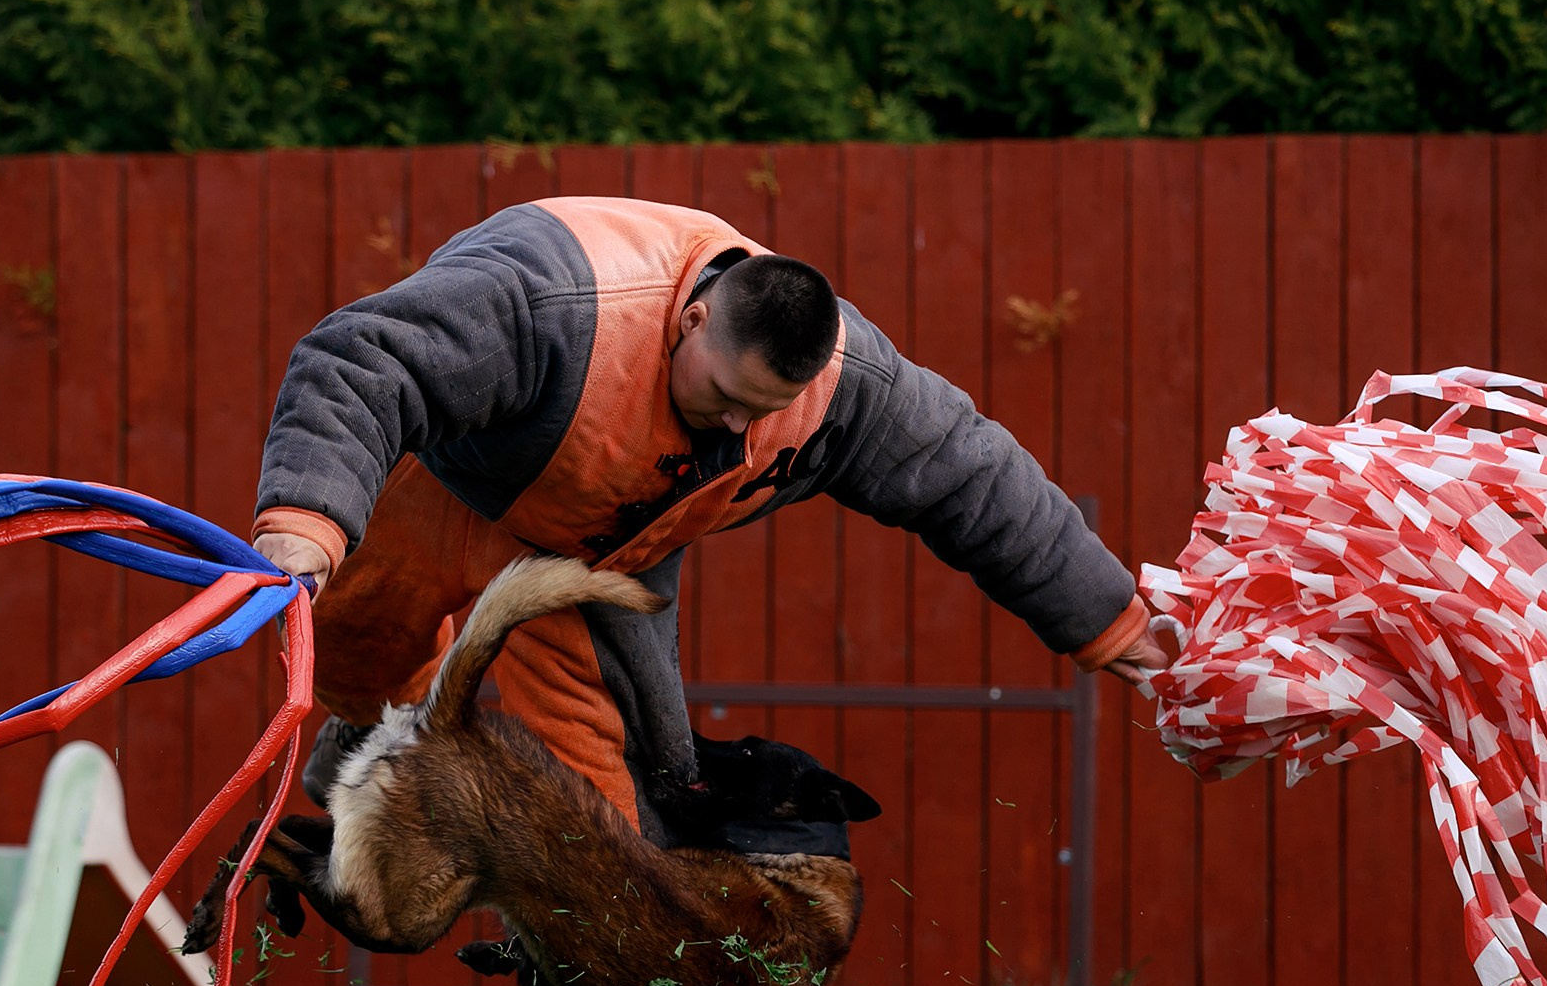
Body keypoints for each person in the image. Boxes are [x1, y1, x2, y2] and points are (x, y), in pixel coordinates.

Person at [251, 195, 1167, 842]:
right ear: (689, 320)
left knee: (609, 830)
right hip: (455, 491)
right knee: (351, 652)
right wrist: (307, 518)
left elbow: (979, 481)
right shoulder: (553, 303)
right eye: (726, 398)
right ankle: (372, 752)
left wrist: (1110, 620)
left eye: (760, 412)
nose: (739, 426)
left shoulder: (847, 392)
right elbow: (361, 360)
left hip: (603, 558)